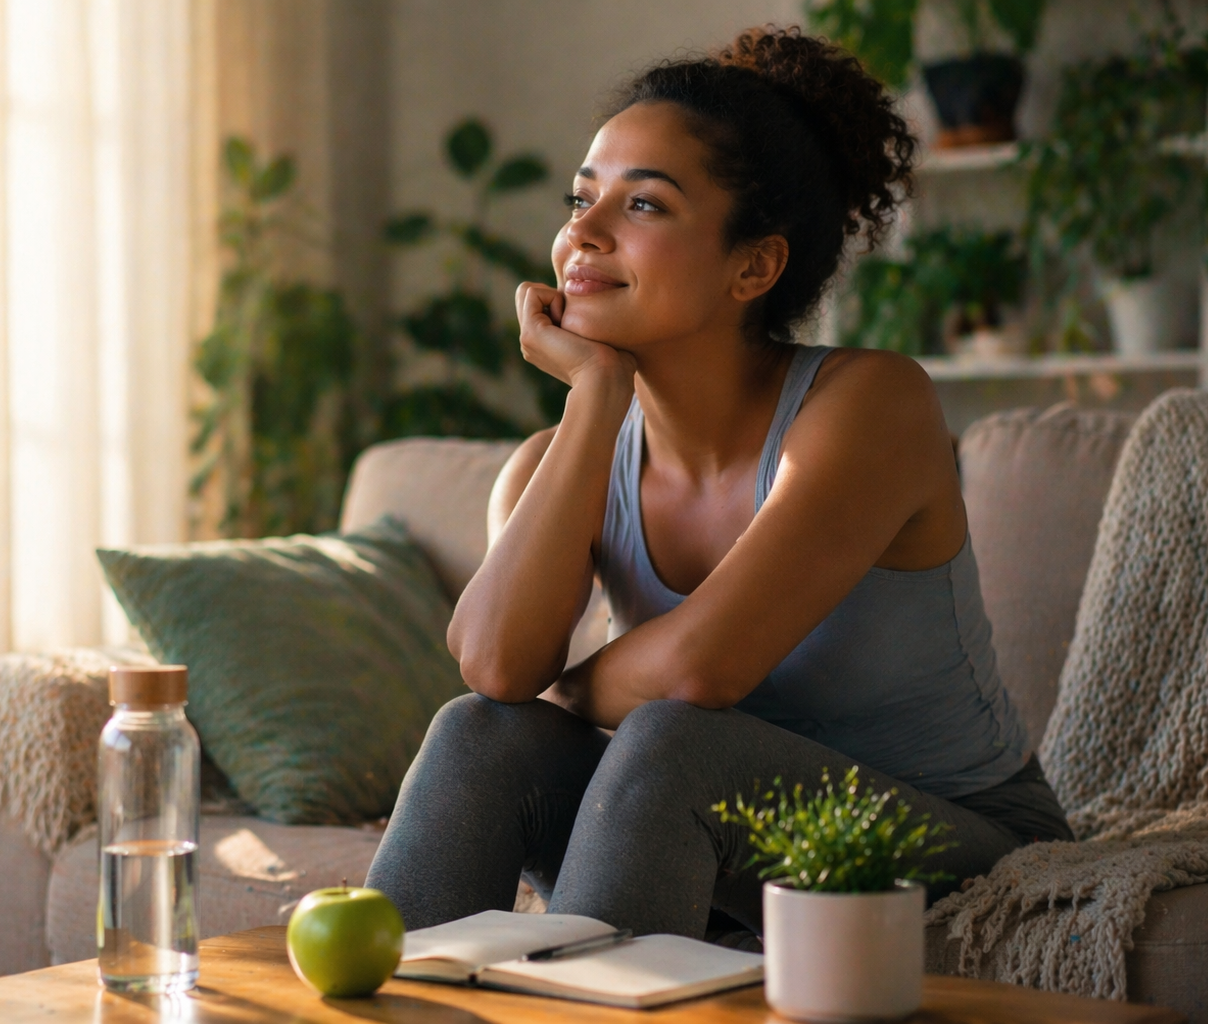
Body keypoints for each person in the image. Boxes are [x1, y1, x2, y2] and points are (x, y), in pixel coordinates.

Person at [364, 27, 1073, 940]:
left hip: (954, 844)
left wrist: (564, 690)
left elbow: (700, 670)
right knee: (480, 732)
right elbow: (497, 670)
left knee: (672, 741)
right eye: (581, 198)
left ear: (754, 266)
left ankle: (603, 997)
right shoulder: (556, 460)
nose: (583, 232)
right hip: (710, 837)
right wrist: (595, 396)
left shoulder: (869, 405)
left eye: (643, 204)